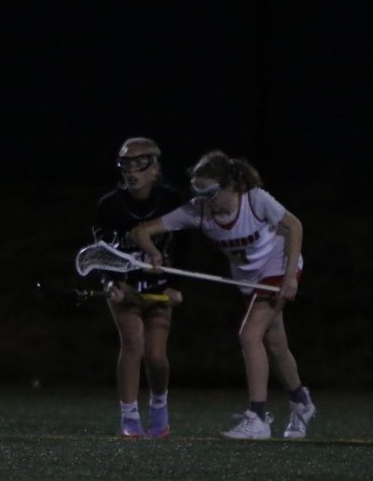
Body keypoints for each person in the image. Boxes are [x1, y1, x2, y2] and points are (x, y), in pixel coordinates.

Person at [129, 149, 315, 440]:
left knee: (249, 336)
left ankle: (258, 418)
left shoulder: (254, 199)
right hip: (248, 280)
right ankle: (301, 403)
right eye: (198, 193)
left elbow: (294, 226)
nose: (205, 201)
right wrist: (153, 254)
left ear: (230, 185)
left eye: (211, 193)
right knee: (276, 345)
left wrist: (290, 277)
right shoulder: (198, 210)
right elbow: (140, 232)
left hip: (278, 265)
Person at [91, 137, 185, 438]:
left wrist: (175, 285)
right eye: (126, 164)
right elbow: (100, 251)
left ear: (155, 168)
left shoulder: (172, 201)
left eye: (140, 163)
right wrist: (110, 282)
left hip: (159, 287)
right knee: (132, 342)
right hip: (126, 286)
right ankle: (129, 418)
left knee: (156, 356)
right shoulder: (109, 206)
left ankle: (160, 408)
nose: (132, 171)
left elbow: (186, 247)